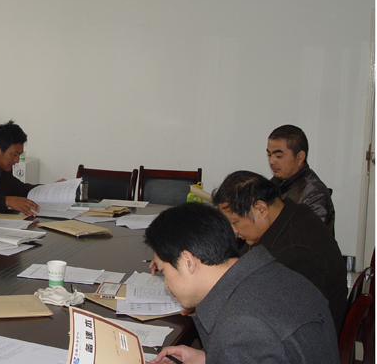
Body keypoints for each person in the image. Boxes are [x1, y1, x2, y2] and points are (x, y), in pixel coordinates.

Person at [146, 203, 340, 364]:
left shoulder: (240, 327)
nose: (166, 285)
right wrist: (210, 359)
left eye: (163, 270)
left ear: (188, 262)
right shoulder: (274, 275)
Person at [213, 170, 347, 333]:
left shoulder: (295, 252)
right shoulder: (289, 216)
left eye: (235, 222)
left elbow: (288, 322)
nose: (234, 231)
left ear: (261, 209)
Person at [267, 124, 335, 235]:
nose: (271, 161)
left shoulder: (313, 192)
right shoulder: (274, 183)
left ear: (300, 157)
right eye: (269, 155)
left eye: (278, 156)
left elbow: (308, 237)